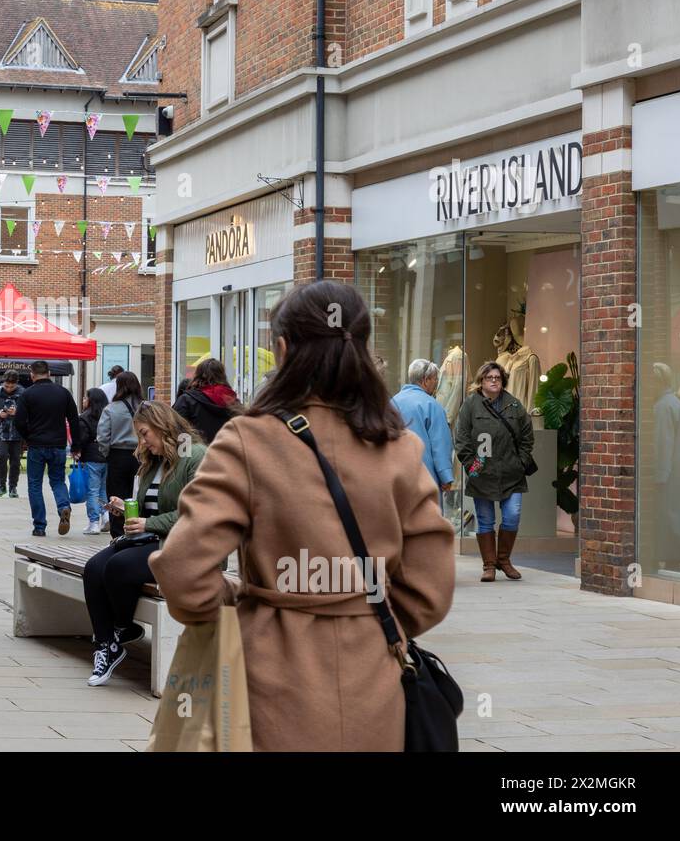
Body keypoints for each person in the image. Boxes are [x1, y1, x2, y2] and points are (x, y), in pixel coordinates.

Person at [150, 280, 454, 751]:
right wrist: (364, 615)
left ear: (285, 349)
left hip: (269, 683)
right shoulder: (400, 449)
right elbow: (430, 591)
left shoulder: (248, 442)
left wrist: (235, 603)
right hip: (375, 687)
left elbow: (182, 570)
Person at [82, 402, 207, 685]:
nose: (142, 442)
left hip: (180, 544)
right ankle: (107, 645)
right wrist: (125, 509)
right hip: (146, 539)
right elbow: (146, 507)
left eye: (144, 433)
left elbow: (198, 510)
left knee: (118, 567)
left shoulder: (196, 456)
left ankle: (122, 628)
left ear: (162, 426)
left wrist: (149, 524)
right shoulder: (154, 461)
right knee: (93, 568)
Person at [455, 360, 533, 582]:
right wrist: (473, 468)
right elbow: (462, 440)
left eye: (497, 378)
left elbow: (527, 436)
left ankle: (504, 560)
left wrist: (520, 462)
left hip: (511, 474)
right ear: (481, 381)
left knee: (512, 515)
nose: (494, 381)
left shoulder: (514, 406)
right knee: (485, 520)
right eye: (489, 378)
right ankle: (489, 565)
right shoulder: (470, 405)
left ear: (503, 380)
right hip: (482, 474)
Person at [14, 359, 82, 537]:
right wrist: (76, 445)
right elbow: (74, 420)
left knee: (35, 485)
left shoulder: (28, 394)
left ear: (32, 375)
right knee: (57, 481)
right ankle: (63, 506)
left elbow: (19, 421)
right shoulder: (63, 393)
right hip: (58, 445)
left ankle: (39, 526)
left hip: (36, 444)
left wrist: (28, 436)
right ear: (49, 373)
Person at [393, 359, 456, 506]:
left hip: (396, 474)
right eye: (435, 379)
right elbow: (440, 445)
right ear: (425, 380)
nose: (436, 383)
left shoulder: (392, 402)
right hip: (425, 476)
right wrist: (446, 477)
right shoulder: (432, 405)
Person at [97, 371, 144, 538]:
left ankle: (117, 533)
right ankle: (138, 529)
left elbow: (102, 437)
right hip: (141, 455)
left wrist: (107, 454)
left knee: (116, 496)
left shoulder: (111, 409)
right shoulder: (146, 407)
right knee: (139, 494)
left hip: (117, 456)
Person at [171, 358, 241, 444]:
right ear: (223, 376)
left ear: (197, 375)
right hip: (226, 455)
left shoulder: (187, 400)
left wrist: (185, 455)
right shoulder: (234, 403)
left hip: (198, 455)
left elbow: (174, 430)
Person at [0, 370, 25, 498]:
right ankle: (1, 484)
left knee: (15, 460)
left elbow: (28, 412)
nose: (8, 389)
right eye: (6, 386)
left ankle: (13, 486)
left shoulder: (23, 393)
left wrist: (17, 413)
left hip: (17, 432)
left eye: (12, 387)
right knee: (0, 455)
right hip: (0, 431)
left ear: (16, 384)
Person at [78, 388, 110, 534]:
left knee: (92, 491)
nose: (84, 400)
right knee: (103, 489)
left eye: (85, 398)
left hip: (91, 457)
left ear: (91, 400)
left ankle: (93, 522)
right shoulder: (108, 414)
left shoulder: (85, 417)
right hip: (107, 456)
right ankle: (106, 516)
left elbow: (82, 439)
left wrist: (77, 450)